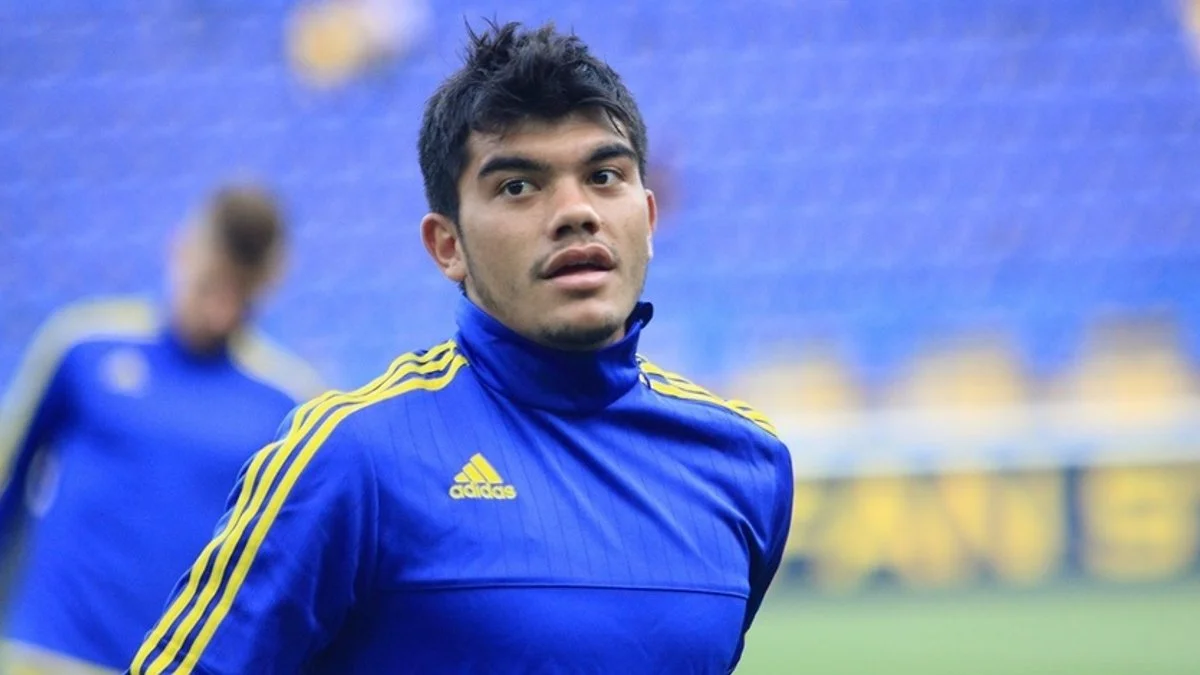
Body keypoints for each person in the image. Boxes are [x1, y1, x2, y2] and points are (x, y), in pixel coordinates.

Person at [129, 21, 793, 675]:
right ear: (447, 245)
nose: (575, 211)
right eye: (518, 185)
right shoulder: (353, 458)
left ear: (647, 218)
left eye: (604, 175)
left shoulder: (744, 464)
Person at [0, 185, 322, 675]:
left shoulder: (291, 405)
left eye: (241, 295)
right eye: (210, 286)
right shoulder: (84, 347)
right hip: (48, 658)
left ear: (268, 283)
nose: (221, 310)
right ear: (180, 248)